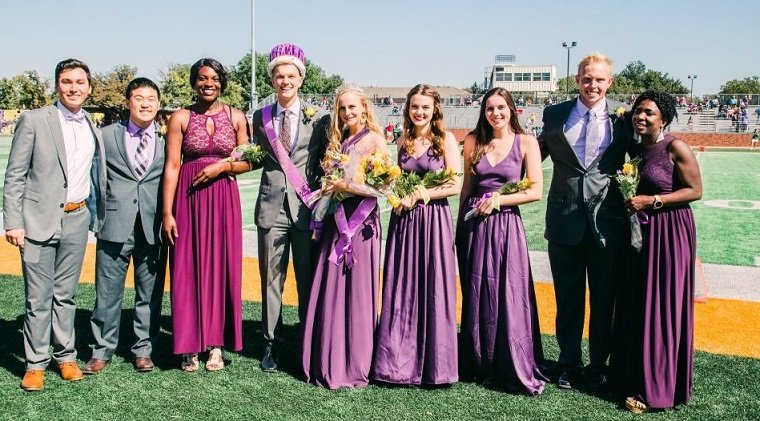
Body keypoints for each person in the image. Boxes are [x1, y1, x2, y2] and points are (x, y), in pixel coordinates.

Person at [3, 58, 106, 391]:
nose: (73, 88)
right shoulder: (34, 120)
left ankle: (65, 357)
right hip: (37, 220)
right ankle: (35, 364)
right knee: (37, 297)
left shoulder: (91, 123)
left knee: (66, 295)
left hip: (77, 219)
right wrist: (13, 222)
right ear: (57, 85)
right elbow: (15, 175)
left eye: (79, 82)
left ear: (89, 86)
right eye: (66, 81)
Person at [538, 53, 634, 390]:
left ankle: (598, 364)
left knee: (605, 299)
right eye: (586, 78)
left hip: (607, 222)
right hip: (563, 220)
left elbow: (640, 157)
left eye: (599, 79)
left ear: (610, 82)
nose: (592, 85)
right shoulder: (554, 114)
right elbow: (533, 155)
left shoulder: (624, 118)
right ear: (577, 79)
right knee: (568, 298)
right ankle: (568, 362)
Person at [610, 91, 702, 413]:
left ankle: (656, 389)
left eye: (649, 113)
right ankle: (629, 375)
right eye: (637, 112)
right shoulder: (635, 150)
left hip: (671, 232)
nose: (641, 117)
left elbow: (695, 191)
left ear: (664, 117)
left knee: (661, 306)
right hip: (641, 235)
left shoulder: (675, 147)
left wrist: (652, 201)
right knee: (638, 303)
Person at [456, 87, 546, 394]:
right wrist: (458, 229)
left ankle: (508, 359)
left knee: (507, 291)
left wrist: (499, 200)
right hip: (473, 225)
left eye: (501, 107)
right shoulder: (472, 141)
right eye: (490, 108)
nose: (495, 113)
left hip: (506, 226)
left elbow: (534, 191)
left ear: (512, 109)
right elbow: (467, 188)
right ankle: (477, 359)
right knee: (476, 290)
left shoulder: (527, 143)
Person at [162, 58, 249, 372]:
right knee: (188, 267)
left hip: (223, 197)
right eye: (201, 78)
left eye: (213, 78)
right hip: (188, 198)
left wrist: (222, 167)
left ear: (222, 82)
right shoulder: (180, 117)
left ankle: (215, 345)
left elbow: (250, 160)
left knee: (222, 267)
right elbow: (172, 166)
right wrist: (167, 212)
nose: (207, 83)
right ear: (193, 82)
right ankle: (189, 345)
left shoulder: (236, 117)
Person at [249, 43, 330, 372]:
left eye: (291, 75)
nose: (285, 81)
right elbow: (252, 157)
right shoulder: (260, 116)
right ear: (272, 80)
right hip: (271, 208)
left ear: (301, 78)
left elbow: (328, 164)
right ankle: (271, 342)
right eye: (279, 76)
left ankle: (307, 340)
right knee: (271, 279)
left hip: (305, 210)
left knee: (308, 280)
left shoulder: (320, 117)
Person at [372, 84, 460, 386]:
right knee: (402, 286)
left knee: (433, 284)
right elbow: (395, 180)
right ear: (407, 109)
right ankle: (397, 362)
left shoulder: (446, 140)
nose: (419, 112)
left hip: (433, 220)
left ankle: (436, 364)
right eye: (414, 107)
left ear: (435, 108)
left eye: (425, 107)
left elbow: (455, 185)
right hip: (404, 221)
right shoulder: (402, 140)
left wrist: (422, 193)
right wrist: (394, 194)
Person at [301, 85, 386, 389]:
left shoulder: (376, 139)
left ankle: (355, 361)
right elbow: (332, 183)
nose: (348, 113)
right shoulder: (339, 143)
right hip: (337, 220)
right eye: (342, 108)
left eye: (353, 107)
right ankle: (328, 356)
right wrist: (329, 185)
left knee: (358, 289)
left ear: (364, 108)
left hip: (361, 224)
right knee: (333, 286)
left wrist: (346, 187)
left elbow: (383, 188)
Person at [84, 77, 167, 375]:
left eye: (151, 99)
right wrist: (97, 219)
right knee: (106, 293)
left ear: (158, 104)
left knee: (150, 293)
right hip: (114, 225)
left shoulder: (169, 140)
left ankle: (143, 349)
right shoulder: (106, 136)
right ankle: (101, 349)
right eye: (138, 98)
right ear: (128, 102)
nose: (145, 104)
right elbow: (95, 181)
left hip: (153, 226)